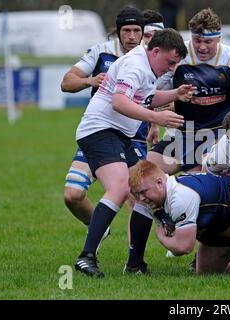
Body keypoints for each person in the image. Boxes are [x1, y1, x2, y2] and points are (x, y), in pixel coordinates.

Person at [126, 8, 230, 269]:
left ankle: (201, 237)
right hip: (184, 134)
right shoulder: (178, 56)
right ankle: (136, 260)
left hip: (222, 137)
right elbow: (151, 93)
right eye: (198, 40)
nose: (203, 46)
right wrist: (153, 123)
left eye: (209, 41)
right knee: (144, 174)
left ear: (219, 39)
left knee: (210, 182)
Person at [73, 28, 195, 278]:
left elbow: (146, 97)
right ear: (156, 51)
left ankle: (135, 263)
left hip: (119, 135)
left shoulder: (147, 66)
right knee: (119, 188)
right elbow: (119, 102)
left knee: (145, 189)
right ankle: (86, 257)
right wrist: (156, 118)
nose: (171, 69)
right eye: (170, 62)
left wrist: (175, 93)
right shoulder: (136, 65)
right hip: (99, 131)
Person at [61, 6, 158, 233]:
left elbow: (155, 94)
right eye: (127, 31)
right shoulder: (101, 52)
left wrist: (154, 124)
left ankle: (133, 264)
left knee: (136, 197)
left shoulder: (150, 57)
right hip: (100, 135)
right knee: (72, 195)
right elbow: (67, 82)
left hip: (133, 137)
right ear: (118, 31)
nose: (132, 36)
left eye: (137, 31)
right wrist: (90, 81)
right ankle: (98, 227)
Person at [129, 160, 230, 273]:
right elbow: (174, 240)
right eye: (137, 194)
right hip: (218, 228)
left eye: (143, 192)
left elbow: (184, 247)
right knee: (206, 272)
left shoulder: (180, 196)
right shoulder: (155, 201)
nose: (141, 199)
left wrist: (160, 236)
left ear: (159, 183)